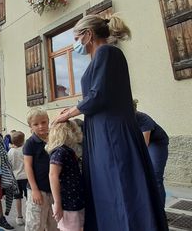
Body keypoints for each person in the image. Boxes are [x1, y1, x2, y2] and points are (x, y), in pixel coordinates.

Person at [52, 15, 167, 230]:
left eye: (77, 37)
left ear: (89, 34)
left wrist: (67, 114)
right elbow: (95, 96)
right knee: (110, 187)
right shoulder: (100, 57)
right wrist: (72, 110)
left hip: (112, 134)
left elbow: (99, 95)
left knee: (120, 185)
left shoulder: (107, 52)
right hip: (103, 132)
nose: (75, 43)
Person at [23, 107, 57, 231]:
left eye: (43, 122)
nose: (41, 126)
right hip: (38, 190)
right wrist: (35, 189)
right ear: (30, 126)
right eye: (36, 124)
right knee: (36, 224)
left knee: (54, 223)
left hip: (53, 189)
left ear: (48, 121)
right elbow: (28, 166)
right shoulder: (30, 143)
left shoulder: (54, 138)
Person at [47, 120, 85, 231]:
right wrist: (58, 203)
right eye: (74, 131)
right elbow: (53, 176)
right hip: (67, 203)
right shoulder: (60, 152)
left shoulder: (68, 151)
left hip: (75, 201)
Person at [133, 99, 170, 207]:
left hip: (157, 143)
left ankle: (160, 210)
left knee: (155, 176)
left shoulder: (143, 119)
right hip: (140, 145)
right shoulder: (123, 120)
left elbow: (145, 144)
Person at [7, 131, 27, 226]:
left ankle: (19, 217)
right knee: (28, 198)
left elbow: (8, 165)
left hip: (15, 178)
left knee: (18, 198)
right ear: (23, 141)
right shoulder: (25, 150)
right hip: (26, 177)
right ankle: (29, 215)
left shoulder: (10, 152)